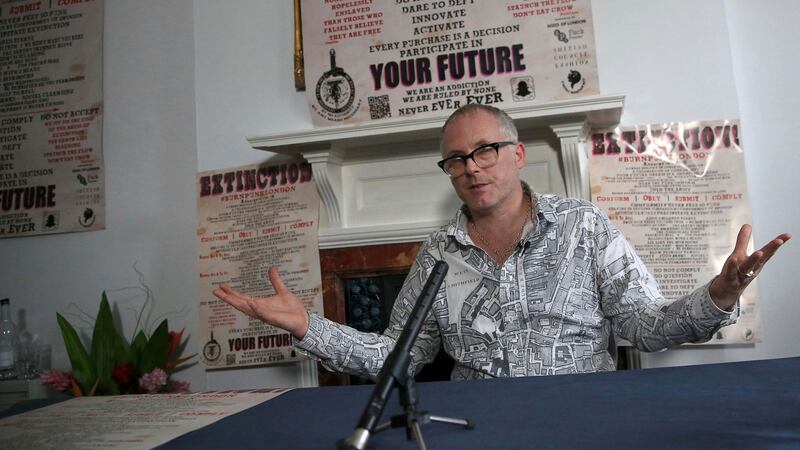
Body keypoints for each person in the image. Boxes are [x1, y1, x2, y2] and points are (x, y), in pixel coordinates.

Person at [213, 104, 790, 379]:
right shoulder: (438, 251)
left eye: (486, 150)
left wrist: (718, 294)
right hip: (474, 429)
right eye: (458, 158)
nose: (473, 167)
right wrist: (306, 326)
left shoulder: (583, 227)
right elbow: (402, 356)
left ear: (516, 155)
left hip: (582, 420)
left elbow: (646, 328)